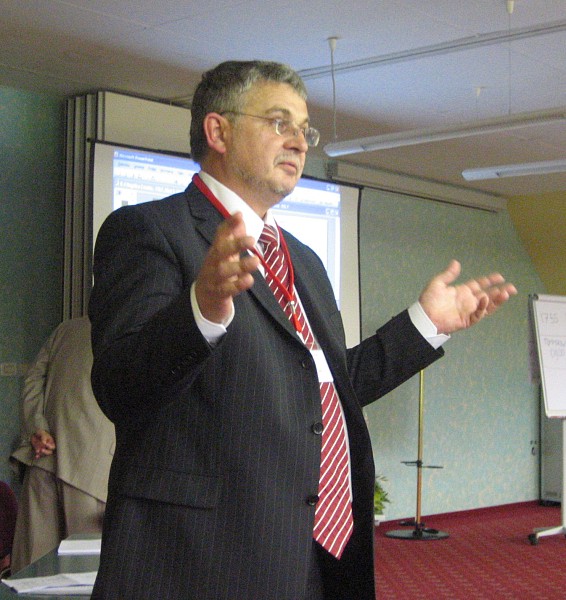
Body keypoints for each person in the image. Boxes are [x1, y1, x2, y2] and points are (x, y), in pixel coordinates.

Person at [88, 60, 517, 600]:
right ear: (218, 131)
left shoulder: (305, 261)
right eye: (278, 122)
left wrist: (426, 324)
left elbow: (325, 391)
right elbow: (121, 386)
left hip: (311, 555)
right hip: (200, 561)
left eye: (304, 130)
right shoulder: (148, 230)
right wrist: (202, 305)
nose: (298, 142)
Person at [9, 316, 115, 574]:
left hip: (43, 460)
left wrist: (37, 428)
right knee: (86, 574)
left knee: (31, 575)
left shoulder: (67, 329)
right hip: (92, 472)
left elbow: (33, 381)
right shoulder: (138, 327)